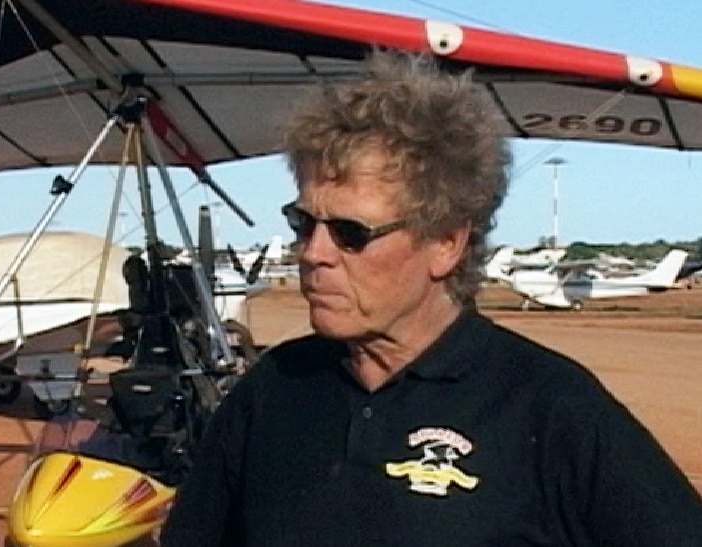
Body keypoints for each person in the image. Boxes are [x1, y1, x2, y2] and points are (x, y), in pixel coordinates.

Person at [159, 49, 702, 546]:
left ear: (446, 243)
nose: (313, 254)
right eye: (303, 224)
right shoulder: (271, 390)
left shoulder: (552, 408)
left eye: (351, 233)